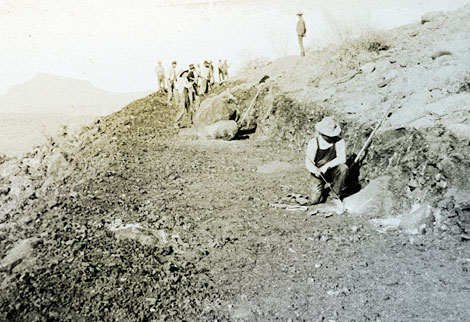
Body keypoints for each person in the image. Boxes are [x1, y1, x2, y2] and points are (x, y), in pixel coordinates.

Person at [305, 116, 348, 204]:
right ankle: (323, 190)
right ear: (322, 133)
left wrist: (327, 166)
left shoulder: (339, 141)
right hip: (318, 173)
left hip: (333, 170)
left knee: (343, 168)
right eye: (328, 136)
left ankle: (335, 194)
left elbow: (342, 159)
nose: (331, 138)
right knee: (314, 200)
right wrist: (315, 171)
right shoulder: (314, 142)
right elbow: (308, 163)